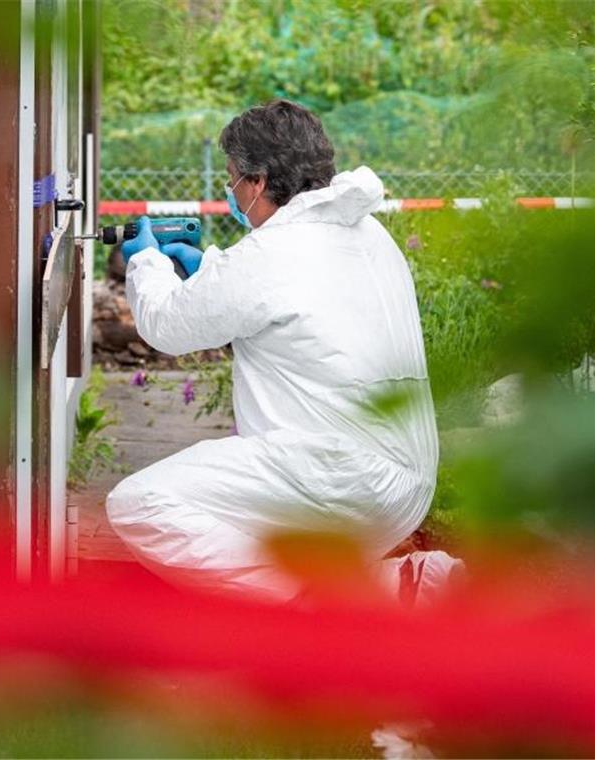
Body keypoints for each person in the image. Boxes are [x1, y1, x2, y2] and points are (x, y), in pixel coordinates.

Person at [105, 99, 443, 603]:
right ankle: (389, 589)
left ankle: (312, 606)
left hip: (338, 480)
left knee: (141, 504)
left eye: (233, 179)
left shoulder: (270, 253)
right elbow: (292, 300)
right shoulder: (368, 234)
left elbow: (165, 326)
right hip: (408, 487)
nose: (231, 190)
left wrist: (147, 261)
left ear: (258, 183)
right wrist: (212, 270)